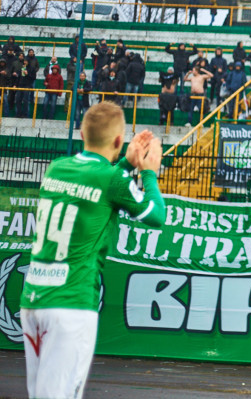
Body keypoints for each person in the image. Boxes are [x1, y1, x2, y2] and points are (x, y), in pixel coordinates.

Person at [20, 103, 165, 399]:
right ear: (118, 140)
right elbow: (156, 215)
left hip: (33, 297)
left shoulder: (57, 168)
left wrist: (125, 165)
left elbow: (97, 186)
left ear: (83, 134)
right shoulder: (112, 179)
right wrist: (148, 172)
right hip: (72, 302)